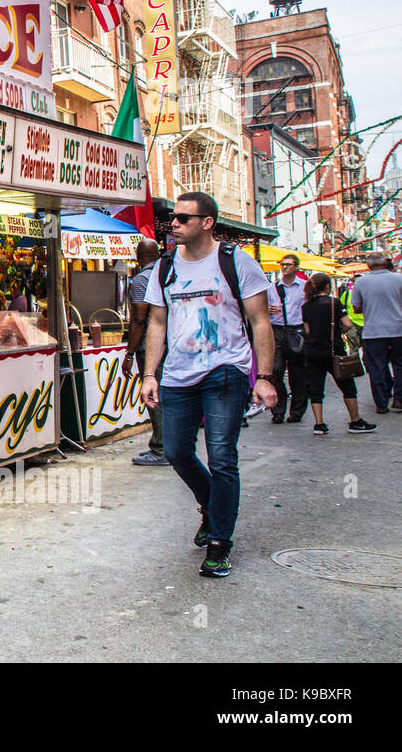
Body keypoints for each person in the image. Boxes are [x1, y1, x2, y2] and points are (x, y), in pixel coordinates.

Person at [141, 193, 277, 579]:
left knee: (221, 457)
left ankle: (220, 541)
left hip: (225, 370)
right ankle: (210, 503)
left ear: (207, 222)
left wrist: (264, 378)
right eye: (173, 217)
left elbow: (261, 321)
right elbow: (157, 323)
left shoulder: (236, 261)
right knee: (177, 452)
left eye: (184, 217)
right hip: (178, 374)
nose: (174, 223)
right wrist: (150, 373)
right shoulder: (164, 267)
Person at [301, 272, 376, 435]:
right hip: (333, 351)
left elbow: (307, 330)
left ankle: (319, 424)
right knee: (347, 387)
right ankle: (355, 421)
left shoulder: (306, 306)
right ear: (328, 286)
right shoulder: (334, 303)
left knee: (316, 389)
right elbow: (348, 324)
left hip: (313, 351)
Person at [122, 238, 168, 466]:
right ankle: (168, 446)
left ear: (139, 257)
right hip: (172, 345)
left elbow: (139, 319)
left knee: (154, 396)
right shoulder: (169, 274)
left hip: (150, 346)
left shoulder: (142, 280)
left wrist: (129, 353)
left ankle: (161, 449)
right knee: (167, 396)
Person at [349, 253, 402, 413]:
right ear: (385, 264)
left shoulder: (361, 282)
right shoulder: (399, 279)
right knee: (400, 365)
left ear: (368, 266)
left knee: (376, 368)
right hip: (398, 329)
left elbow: (356, 307)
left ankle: (381, 403)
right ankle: (399, 399)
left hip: (373, 331)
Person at [265, 254, 308, 424]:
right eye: (282, 264)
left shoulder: (305, 287)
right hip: (277, 330)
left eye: (288, 264)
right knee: (275, 370)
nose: (284, 267)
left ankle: (296, 411)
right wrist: (269, 310)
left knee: (298, 373)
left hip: (297, 330)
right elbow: (262, 309)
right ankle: (278, 410)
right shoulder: (272, 288)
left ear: (296, 267)